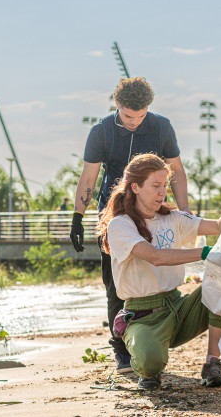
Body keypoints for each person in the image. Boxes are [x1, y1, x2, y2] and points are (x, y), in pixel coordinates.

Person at [69, 77, 191, 373]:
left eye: (141, 115)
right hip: (114, 215)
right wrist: (77, 218)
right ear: (117, 105)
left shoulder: (161, 126)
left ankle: (152, 336)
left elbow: (177, 171)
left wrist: (185, 212)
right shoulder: (101, 132)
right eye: (128, 116)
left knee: (153, 274)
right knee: (115, 285)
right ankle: (122, 351)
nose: (135, 122)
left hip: (152, 212)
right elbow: (89, 178)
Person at [95, 153, 221, 389]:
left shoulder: (173, 217)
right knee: (150, 366)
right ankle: (146, 353)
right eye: (155, 186)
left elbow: (217, 227)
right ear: (135, 187)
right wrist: (205, 253)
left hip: (178, 308)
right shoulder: (120, 224)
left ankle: (212, 362)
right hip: (143, 315)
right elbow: (155, 257)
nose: (163, 192)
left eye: (165, 185)